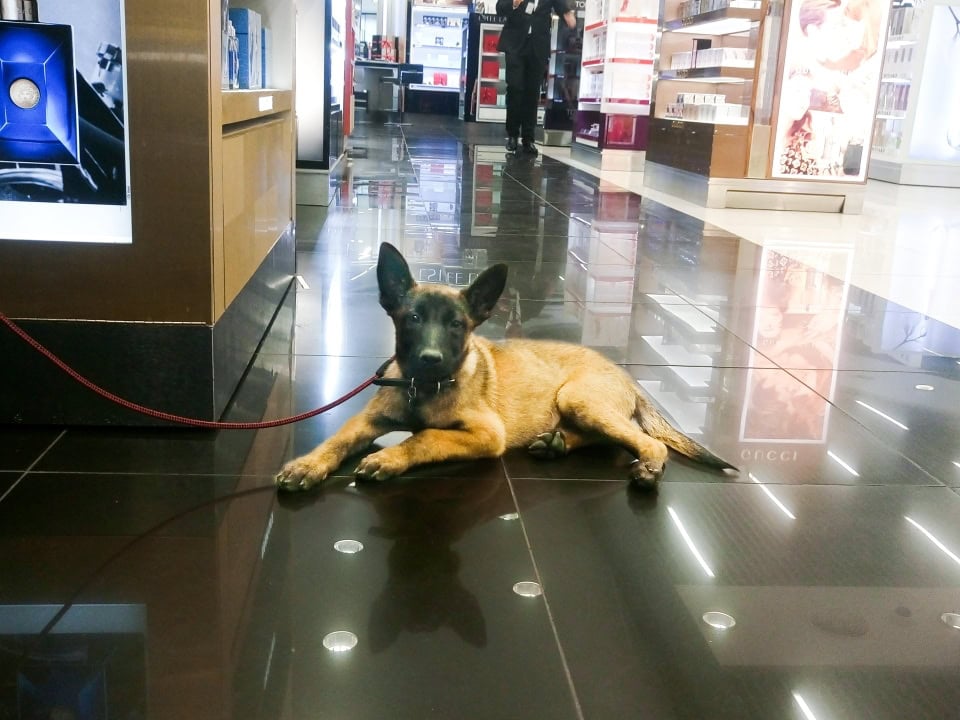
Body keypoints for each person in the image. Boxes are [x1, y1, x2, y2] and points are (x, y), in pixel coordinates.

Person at [495, 0, 576, 156]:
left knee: (532, 92)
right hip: (515, 44)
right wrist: (513, 3)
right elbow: (500, 8)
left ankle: (528, 139)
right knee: (515, 87)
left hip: (538, 45)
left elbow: (559, 5)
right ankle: (512, 135)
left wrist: (567, 14)